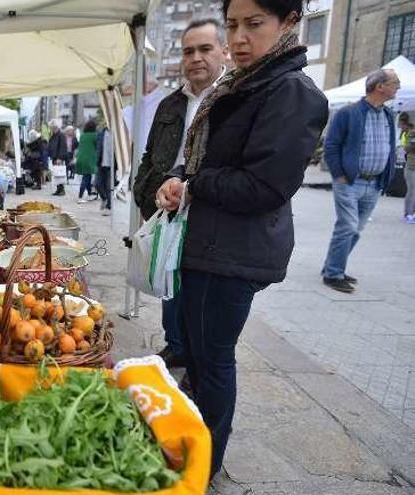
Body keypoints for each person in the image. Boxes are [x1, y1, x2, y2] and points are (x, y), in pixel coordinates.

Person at [155, 0, 328, 478]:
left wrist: (194, 184)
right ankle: (187, 439)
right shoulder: (239, 85)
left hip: (232, 253)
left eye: (255, 25)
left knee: (213, 360)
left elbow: (265, 187)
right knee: (190, 347)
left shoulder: (292, 93)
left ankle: (204, 463)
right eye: (232, 25)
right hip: (204, 242)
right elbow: (199, 158)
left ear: (289, 21)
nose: (239, 38)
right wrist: (176, 178)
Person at [133, 18, 228, 369]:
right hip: (165, 205)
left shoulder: (231, 100)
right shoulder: (171, 103)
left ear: (224, 51)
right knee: (166, 279)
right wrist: (143, 194)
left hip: (206, 208)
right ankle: (175, 345)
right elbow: (149, 153)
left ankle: (198, 356)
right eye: (189, 51)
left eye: (205, 48)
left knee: (199, 290)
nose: (196, 58)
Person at [320, 69, 400, 292]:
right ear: (379, 87)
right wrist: (339, 175)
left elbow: (390, 148)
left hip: (374, 183)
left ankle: (332, 266)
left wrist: (387, 177)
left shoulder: (388, 114)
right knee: (348, 226)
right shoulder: (349, 113)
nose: (398, 86)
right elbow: (331, 145)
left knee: (355, 229)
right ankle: (333, 275)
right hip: (350, 182)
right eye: (395, 82)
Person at [75, 120, 98, 203]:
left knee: (87, 177)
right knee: (86, 178)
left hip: (81, 158)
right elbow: (97, 146)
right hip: (89, 159)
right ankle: (80, 197)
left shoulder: (82, 136)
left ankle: (89, 195)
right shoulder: (94, 136)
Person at [95, 123, 115, 215]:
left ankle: (109, 207)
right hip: (101, 163)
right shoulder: (101, 133)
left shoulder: (116, 134)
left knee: (109, 186)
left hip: (112, 165)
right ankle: (104, 198)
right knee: (97, 184)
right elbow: (97, 147)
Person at [398, 113, 415, 223]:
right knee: (412, 191)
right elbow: (408, 147)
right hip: (411, 166)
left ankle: (410, 214)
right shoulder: (412, 133)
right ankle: (408, 214)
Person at [46, 120, 68, 195]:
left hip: (59, 158)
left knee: (60, 174)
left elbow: (62, 147)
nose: (51, 129)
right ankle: (58, 189)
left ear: (55, 127)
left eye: (52, 128)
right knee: (56, 174)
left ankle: (62, 190)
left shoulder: (61, 135)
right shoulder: (53, 135)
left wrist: (60, 158)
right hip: (54, 157)